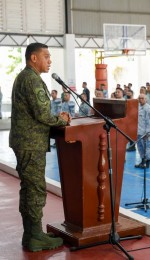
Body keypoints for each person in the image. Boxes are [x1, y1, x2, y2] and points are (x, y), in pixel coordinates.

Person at [9, 42, 70, 252]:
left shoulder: (26, 77)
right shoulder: (32, 80)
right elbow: (43, 114)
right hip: (30, 143)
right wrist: (62, 120)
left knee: (29, 189)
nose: (50, 60)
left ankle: (31, 234)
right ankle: (35, 237)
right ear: (33, 58)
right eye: (46, 56)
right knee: (35, 189)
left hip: (26, 142)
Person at [135, 94, 150, 169]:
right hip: (138, 131)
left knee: (146, 147)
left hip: (144, 132)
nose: (141, 99)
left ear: (146, 99)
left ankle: (147, 162)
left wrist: (147, 132)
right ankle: (142, 161)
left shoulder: (148, 108)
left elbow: (149, 121)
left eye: (142, 98)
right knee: (140, 147)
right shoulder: (138, 107)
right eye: (139, 98)